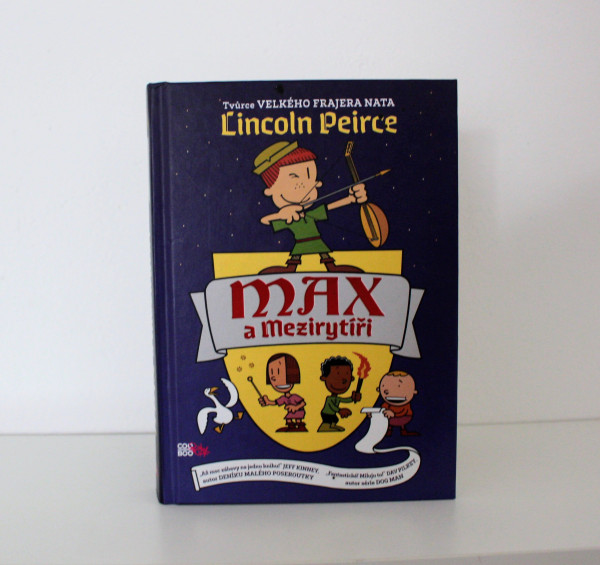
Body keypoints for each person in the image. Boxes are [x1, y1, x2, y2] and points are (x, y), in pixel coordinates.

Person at [253, 141, 367, 274]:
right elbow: (264, 221)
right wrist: (281, 214)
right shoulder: (290, 217)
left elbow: (330, 207)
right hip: (300, 243)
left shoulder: (311, 214)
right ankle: (290, 269)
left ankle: (332, 268)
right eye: (294, 178)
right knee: (295, 259)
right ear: (270, 190)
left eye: (310, 178)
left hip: (316, 241)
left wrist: (351, 198)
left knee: (325, 257)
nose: (308, 186)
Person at [259, 353, 307, 432]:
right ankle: (291, 427)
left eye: (278, 371)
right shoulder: (283, 398)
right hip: (291, 412)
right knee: (288, 419)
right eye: (271, 373)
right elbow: (275, 402)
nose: (273, 377)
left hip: (299, 411)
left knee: (298, 419)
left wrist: (296, 407)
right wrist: (267, 401)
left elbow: (303, 403)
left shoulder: (295, 396)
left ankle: (300, 427)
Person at [317, 356, 361, 432]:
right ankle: (324, 428)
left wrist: (353, 398)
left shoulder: (337, 398)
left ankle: (332, 426)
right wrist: (339, 410)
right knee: (328, 420)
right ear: (324, 378)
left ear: (351, 378)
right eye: (337, 375)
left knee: (335, 419)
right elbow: (332, 406)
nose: (343, 380)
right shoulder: (329, 399)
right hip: (326, 413)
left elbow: (345, 400)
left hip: (332, 413)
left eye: (347, 374)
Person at [377, 371, 419, 436]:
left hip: (404, 417)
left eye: (399, 387)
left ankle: (402, 430)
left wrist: (393, 414)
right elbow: (382, 410)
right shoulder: (386, 404)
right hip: (390, 419)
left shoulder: (406, 405)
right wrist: (374, 414)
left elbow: (404, 412)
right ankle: (389, 430)